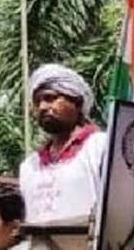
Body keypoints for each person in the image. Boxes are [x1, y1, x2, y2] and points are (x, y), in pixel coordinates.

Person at [18, 63, 110, 225]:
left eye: (50, 98)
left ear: (77, 103)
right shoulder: (29, 166)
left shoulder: (100, 147)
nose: (43, 107)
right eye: (37, 102)